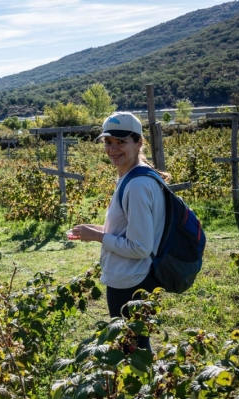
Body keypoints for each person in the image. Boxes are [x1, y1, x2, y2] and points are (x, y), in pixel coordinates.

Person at [71, 112, 168, 351]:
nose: (113, 149)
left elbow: (140, 247)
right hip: (132, 276)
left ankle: (139, 388)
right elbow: (132, 232)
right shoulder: (134, 177)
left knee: (132, 349)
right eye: (108, 142)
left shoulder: (137, 185)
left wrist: (98, 236)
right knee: (135, 345)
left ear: (139, 143)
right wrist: (98, 230)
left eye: (121, 142)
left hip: (131, 281)